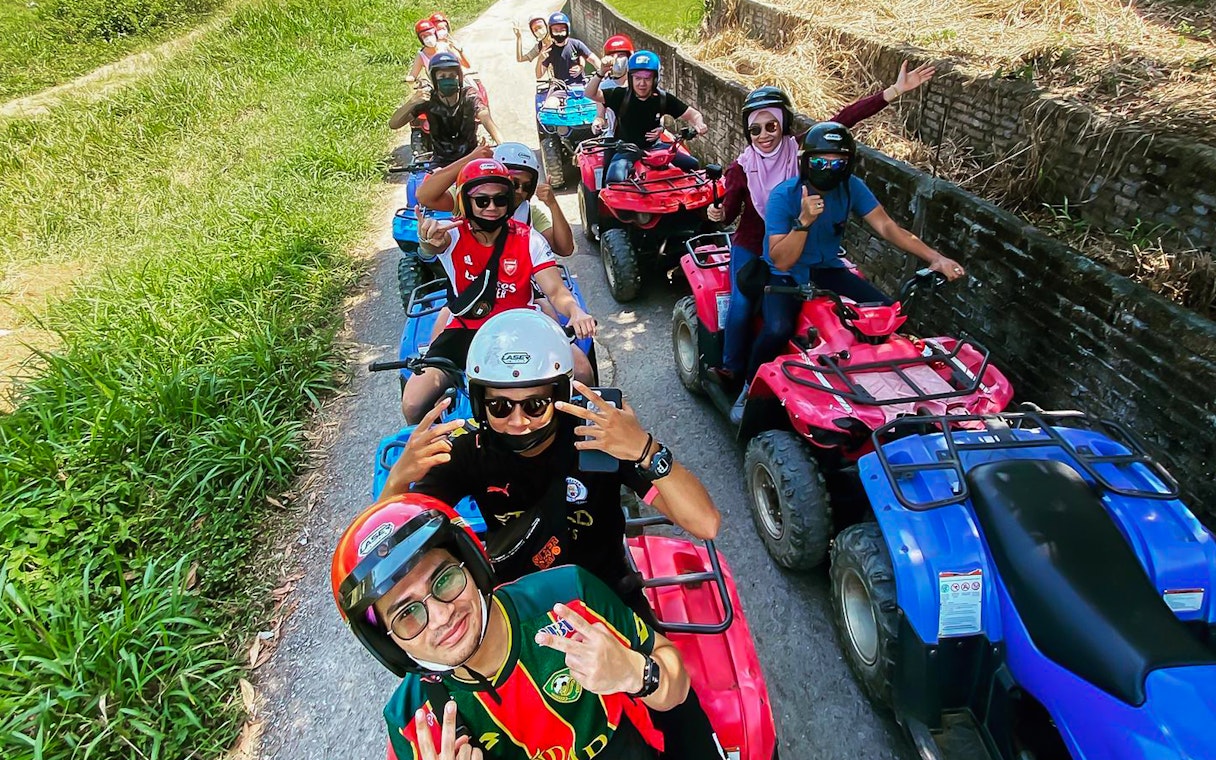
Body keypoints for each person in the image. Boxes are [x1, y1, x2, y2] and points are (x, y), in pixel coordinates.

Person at [381, 308, 726, 760]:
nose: (518, 421)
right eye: (500, 406)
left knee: (677, 707)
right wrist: (397, 482)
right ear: (480, 401)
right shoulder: (471, 449)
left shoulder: (596, 434)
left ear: (561, 394)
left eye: (536, 405)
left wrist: (643, 448)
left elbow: (706, 523)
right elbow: (389, 549)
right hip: (508, 607)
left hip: (607, 591)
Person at [331, 494, 690, 759]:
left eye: (444, 581)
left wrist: (636, 674)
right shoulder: (415, 724)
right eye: (407, 614)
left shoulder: (568, 598)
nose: (442, 617)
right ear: (389, 642)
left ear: (472, 566)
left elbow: (677, 687)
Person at [707, 63, 938, 391]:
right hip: (755, 243)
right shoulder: (741, 168)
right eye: (755, 129)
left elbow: (844, 119)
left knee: (860, 304)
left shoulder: (802, 152)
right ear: (748, 133)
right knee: (742, 304)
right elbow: (728, 212)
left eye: (771, 125)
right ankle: (733, 367)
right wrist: (716, 213)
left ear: (784, 124)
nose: (764, 135)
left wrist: (894, 91)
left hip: (808, 247)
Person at [736, 120, 966, 423]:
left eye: (837, 162)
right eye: (820, 161)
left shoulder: (851, 187)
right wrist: (803, 222)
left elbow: (887, 226)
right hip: (786, 276)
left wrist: (935, 258)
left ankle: (878, 391)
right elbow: (781, 261)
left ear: (848, 165)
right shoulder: (784, 195)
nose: (828, 169)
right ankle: (748, 387)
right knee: (778, 328)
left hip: (827, 269)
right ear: (806, 163)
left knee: (885, 313)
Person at [402, 160, 595, 423]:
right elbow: (433, 246)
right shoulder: (451, 235)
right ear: (466, 202)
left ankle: (576, 440)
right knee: (413, 402)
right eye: (482, 201)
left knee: (583, 373)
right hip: (467, 329)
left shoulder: (529, 239)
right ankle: (432, 456)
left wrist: (575, 310)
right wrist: (427, 241)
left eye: (500, 199)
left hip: (525, 327)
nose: (491, 208)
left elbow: (555, 288)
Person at [417, 142, 575, 257]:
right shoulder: (471, 198)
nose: (520, 191)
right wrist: (470, 160)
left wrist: (552, 204)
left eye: (526, 186)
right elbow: (425, 196)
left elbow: (565, 249)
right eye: (513, 183)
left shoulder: (527, 213)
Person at [586, 50, 708, 184]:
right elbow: (590, 93)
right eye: (637, 78)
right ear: (630, 78)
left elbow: (693, 114)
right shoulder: (619, 95)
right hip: (627, 149)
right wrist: (601, 72)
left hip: (655, 148)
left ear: (655, 79)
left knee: (693, 164)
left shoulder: (663, 98)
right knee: (613, 180)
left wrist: (699, 124)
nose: (642, 84)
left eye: (647, 78)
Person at [391, 53, 504, 167]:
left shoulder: (468, 95)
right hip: (440, 164)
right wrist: (412, 102)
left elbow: (486, 118)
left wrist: (503, 146)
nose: (447, 80)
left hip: (471, 159)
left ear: (459, 77)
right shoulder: (428, 99)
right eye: (442, 77)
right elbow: (394, 124)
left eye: (451, 76)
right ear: (435, 80)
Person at [535, 12, 599, 87]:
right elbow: (539, 75)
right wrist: (540, 60)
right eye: (555, 30)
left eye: (562, 30)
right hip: (561, 88)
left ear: (567, 29)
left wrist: (602, 72)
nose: (559, 33)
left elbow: (594, 59)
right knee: (551, 99)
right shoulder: (549, 51)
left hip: (581, 85)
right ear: (550, 31)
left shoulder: (576, 44)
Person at [591, 34, 634, 136]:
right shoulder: (604, 87)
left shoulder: (639, 82)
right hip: (615, 136)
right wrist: (597, 123)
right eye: (612, 56)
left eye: (620, 55)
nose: (616, 59)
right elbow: (600, 115)